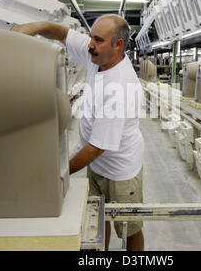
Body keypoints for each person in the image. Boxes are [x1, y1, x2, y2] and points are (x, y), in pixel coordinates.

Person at [12, 14, 145, 251]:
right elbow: (62, 33)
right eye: (91, 37)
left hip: (120, 169)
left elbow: (96, 147)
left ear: (118, 45)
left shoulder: (120, 87)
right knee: (98, 217)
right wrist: (35, 27)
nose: (90, 45)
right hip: (97, 164)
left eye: (98, 40)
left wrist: (58, 173)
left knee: (129, 228)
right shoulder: (97, 55)